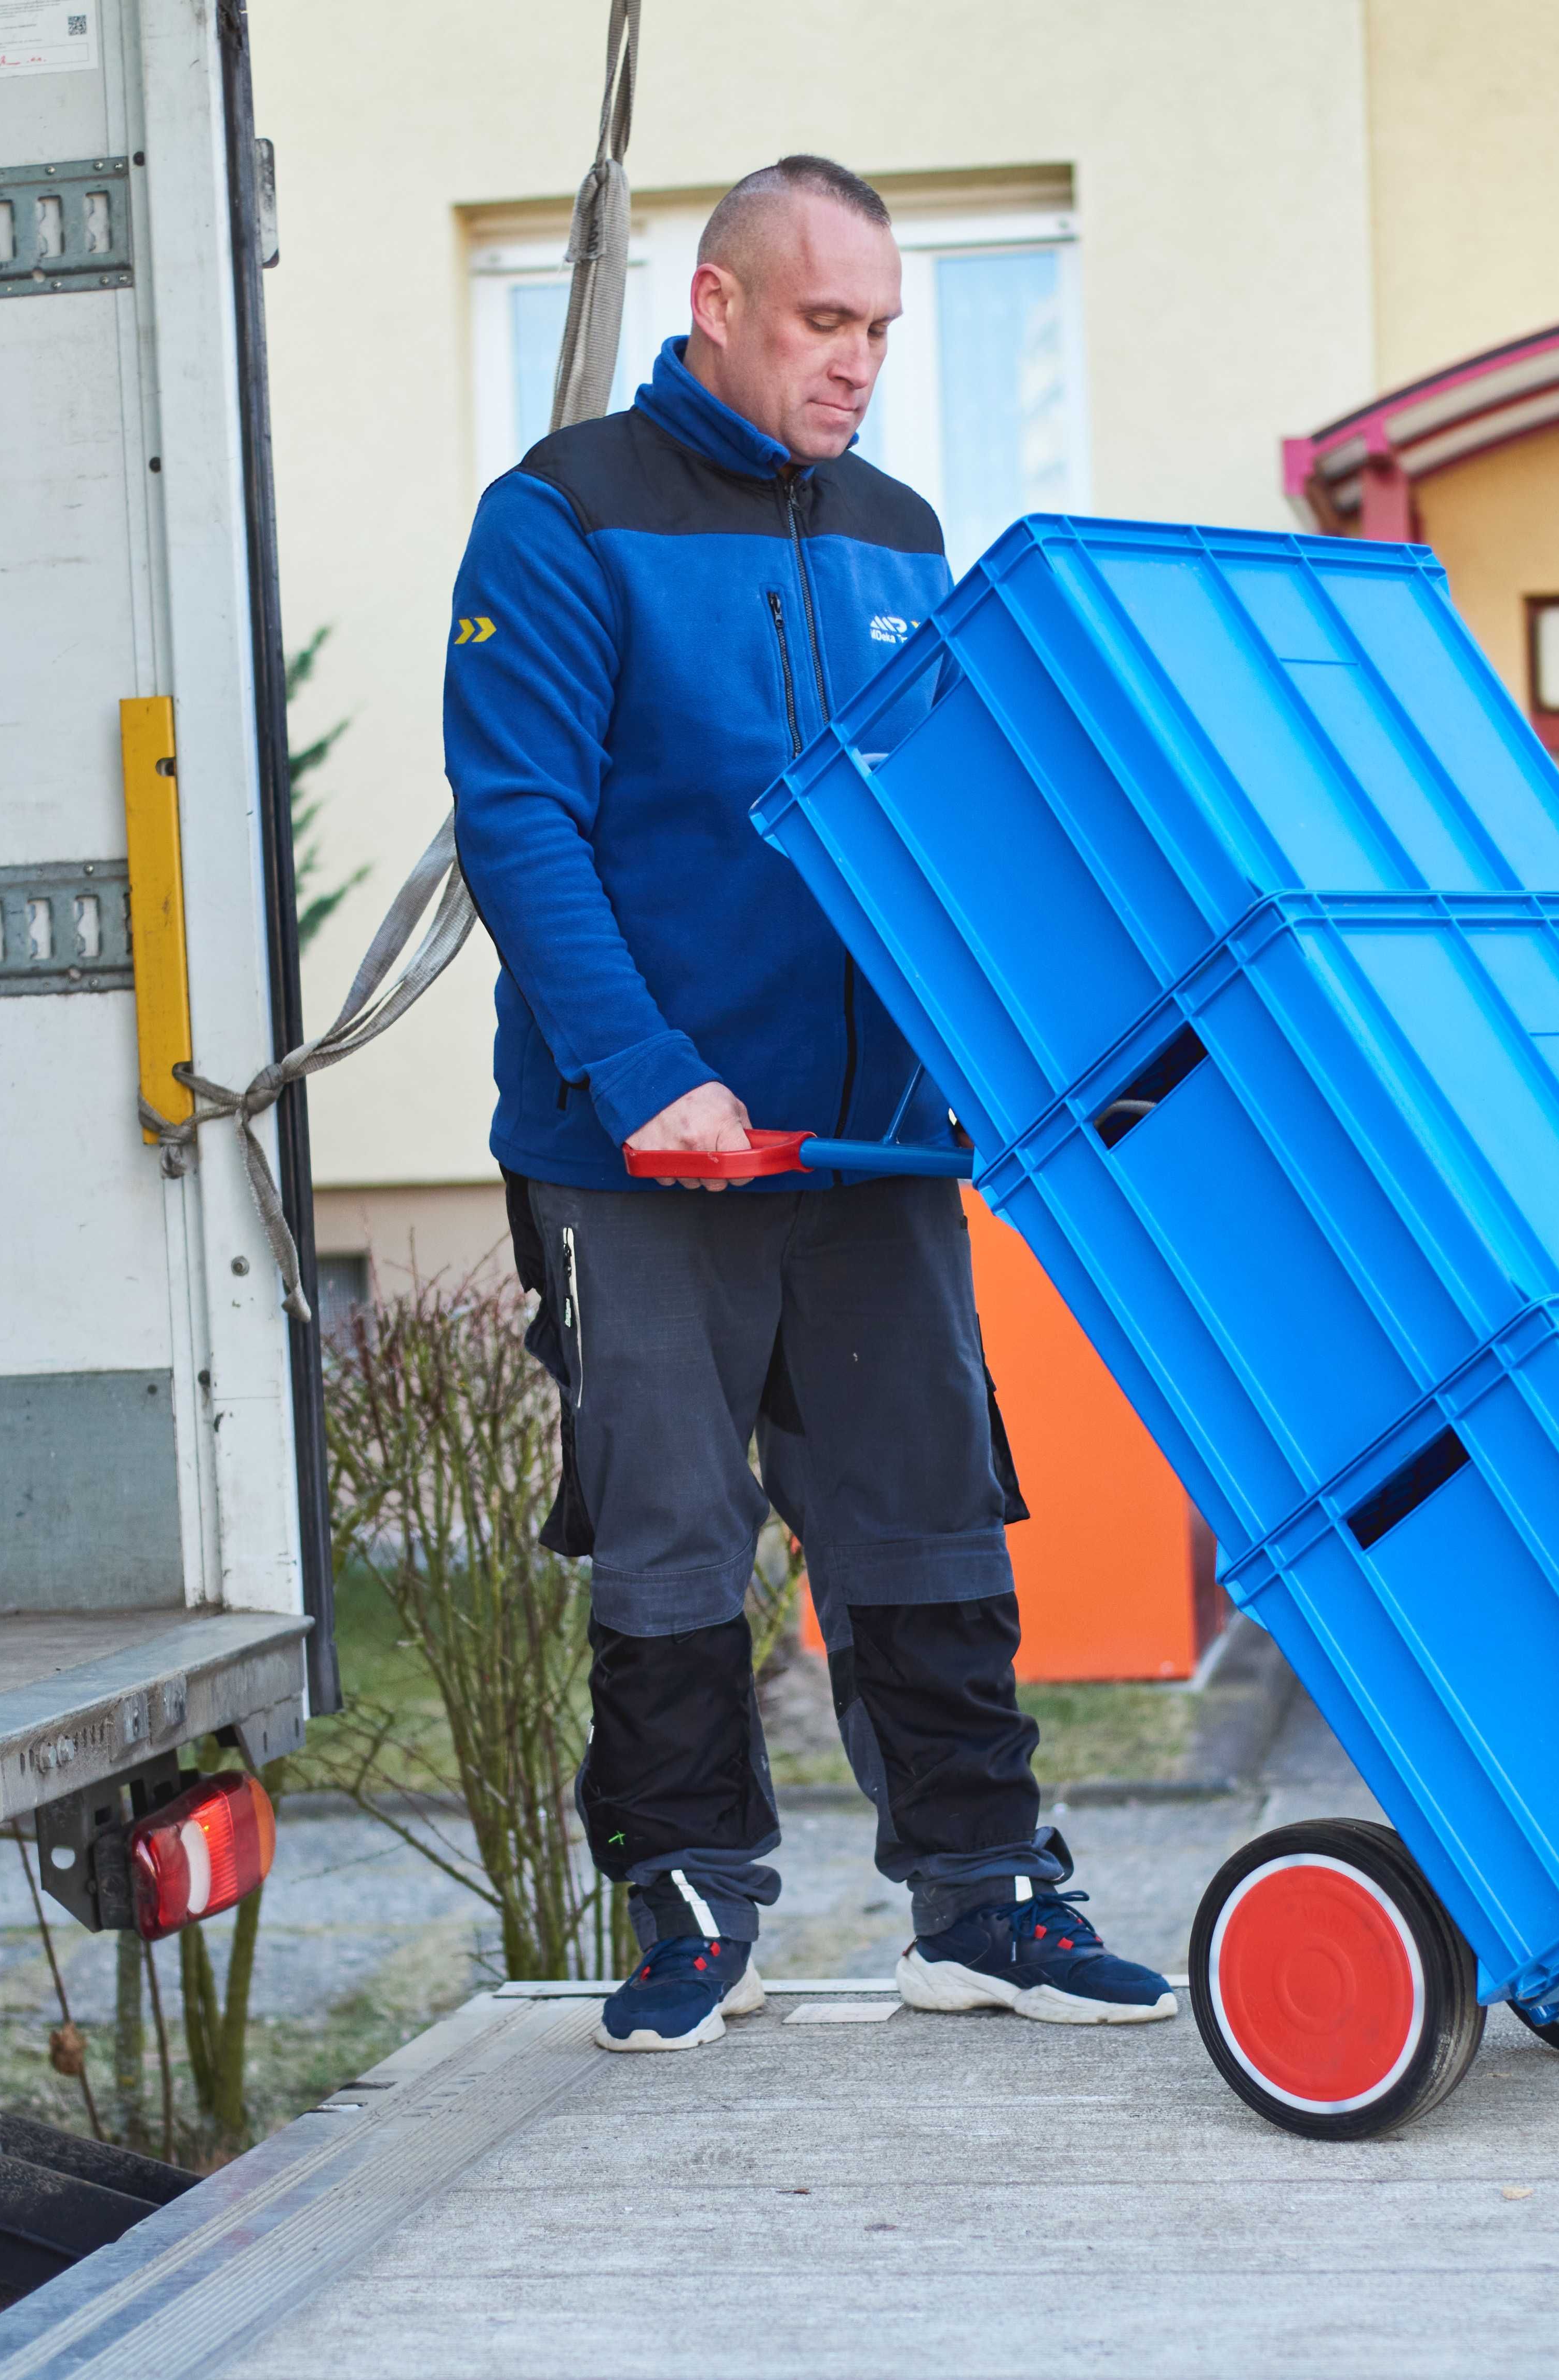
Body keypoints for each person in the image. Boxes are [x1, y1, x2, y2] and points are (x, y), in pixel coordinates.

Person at [444, 154, 1175, 2052]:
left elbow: (941, 827)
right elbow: (519, 825)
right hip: (653, 1148)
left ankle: (983, 1901)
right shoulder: (561, 519)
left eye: (882, 333)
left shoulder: (901, 528)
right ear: (718, 304)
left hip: (870, 1146)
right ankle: (694, 1909)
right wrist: (643, 1074)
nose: (858, 364)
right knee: (674, 1531)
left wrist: (993, 1065)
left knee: (928, 1512)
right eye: (825, 322)